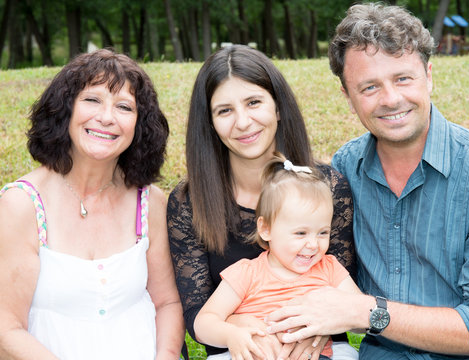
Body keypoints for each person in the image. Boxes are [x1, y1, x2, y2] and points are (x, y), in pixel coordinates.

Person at [266, 3, 469, 359]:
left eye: (403, 78)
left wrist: (364, 312)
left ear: (429, 76)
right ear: (348, 99)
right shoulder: (345, 168)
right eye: (369, 87)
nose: (391, 99)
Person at [167, 44, 356, 360]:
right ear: (210, 123)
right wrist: (259, 329)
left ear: (278, 107)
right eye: (225, 110)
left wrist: (308, 328)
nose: (243, 122)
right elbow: (196, 313)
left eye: (254, 102)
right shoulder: (190, 203)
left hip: (317, 348)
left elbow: (342, 288)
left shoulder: (325, 186)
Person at [0, 49, 184, 359]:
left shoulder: (149, 202)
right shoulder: (23, 205)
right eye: (92, 100)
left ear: (139, 124)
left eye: (124, 106)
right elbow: (7, 327)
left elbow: (167, 303)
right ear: (65, 109)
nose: (107, 117)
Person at [194, 153, 361, 360]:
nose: (313, 244)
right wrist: (231, 335)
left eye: (322, 232)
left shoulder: (329, 268)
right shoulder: (246, 273)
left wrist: (329, 321)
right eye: (300, 233)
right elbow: (204, 323)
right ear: (266, 229)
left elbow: (361, 317)